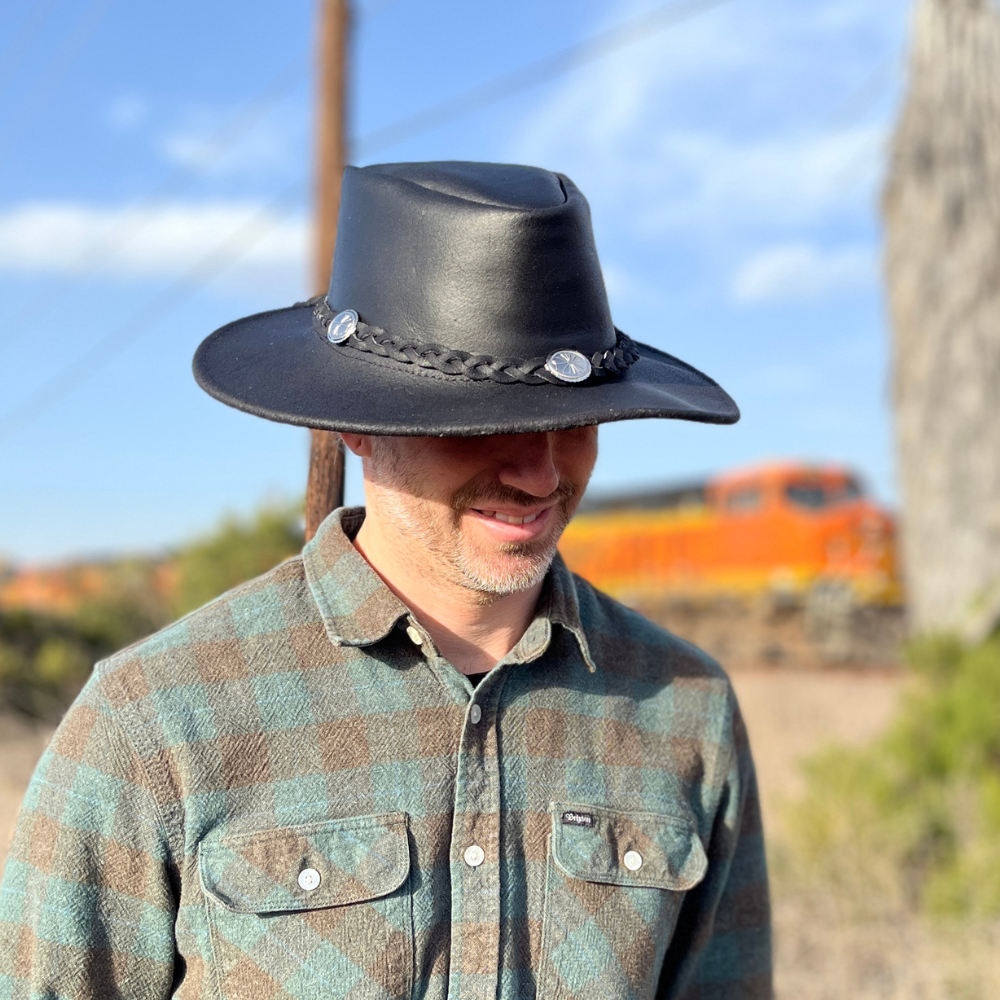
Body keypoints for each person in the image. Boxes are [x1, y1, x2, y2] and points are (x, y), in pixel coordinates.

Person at [0, 162, 771, 999]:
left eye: (577, 419)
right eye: (483, 422)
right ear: (354, 425)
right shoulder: (153, 725)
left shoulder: (689, 712)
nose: (542, 472)